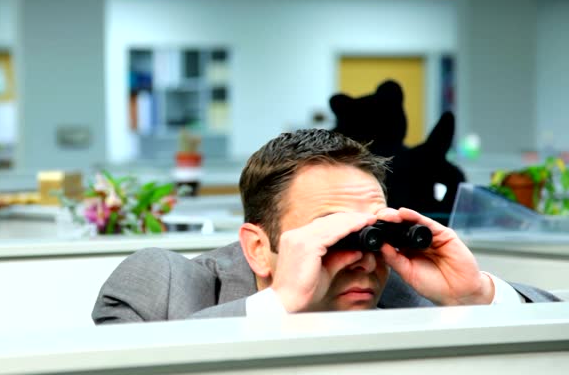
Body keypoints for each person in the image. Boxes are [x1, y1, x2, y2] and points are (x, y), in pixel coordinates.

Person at [92, 129, 559, 324]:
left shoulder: (406, 293)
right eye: (334, 235)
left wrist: (477, 295)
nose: (363, 258)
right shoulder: (163, 287)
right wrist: (278, 304)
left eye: (372, 230)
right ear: (258, 248)